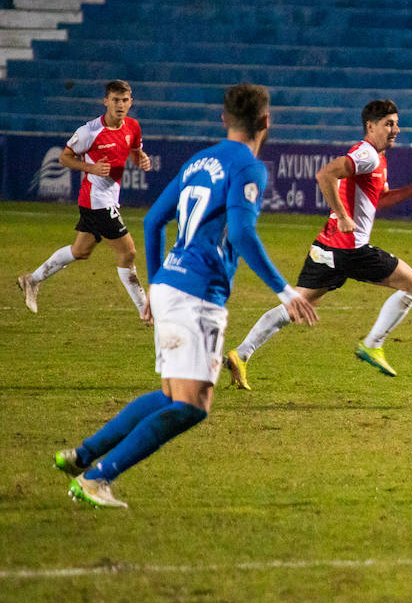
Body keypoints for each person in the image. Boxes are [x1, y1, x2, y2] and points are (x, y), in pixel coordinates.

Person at [55, 84, 318, 508]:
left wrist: (155, 284)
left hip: (170, 284)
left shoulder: (200, 159)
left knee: (170, 396)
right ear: (266, 122)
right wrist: (286, 291)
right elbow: (245, 233)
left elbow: (155, 220)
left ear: (223, 120)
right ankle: (97, 477)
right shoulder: (248, 167)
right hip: (198, 294)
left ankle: (82, 455)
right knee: (194, 406)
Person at [225, 100, 412, 387]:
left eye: (396, 124)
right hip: (350, 249)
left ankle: (240, 353)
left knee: (297, 304)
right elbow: (325, 174)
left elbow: (380, 201)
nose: (395, 130)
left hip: (328, 248)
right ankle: (372, 344)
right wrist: (342, 215)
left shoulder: (377, 158)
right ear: (371, 126)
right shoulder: (366, 154)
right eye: (389, 124)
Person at [17, 80, 152, 321]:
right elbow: (64, 158)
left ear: (131, 102)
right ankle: (146, 312)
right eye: (115, 100)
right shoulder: (89, 132)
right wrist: (90, 167)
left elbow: (133, 150)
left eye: (124, 100)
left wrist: (141, 158)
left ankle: (31, 280)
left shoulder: (133, 126)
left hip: (109, 197)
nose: (120, 105)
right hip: (96, 200)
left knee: (81, 251)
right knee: (128, 252)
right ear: (106, 101)